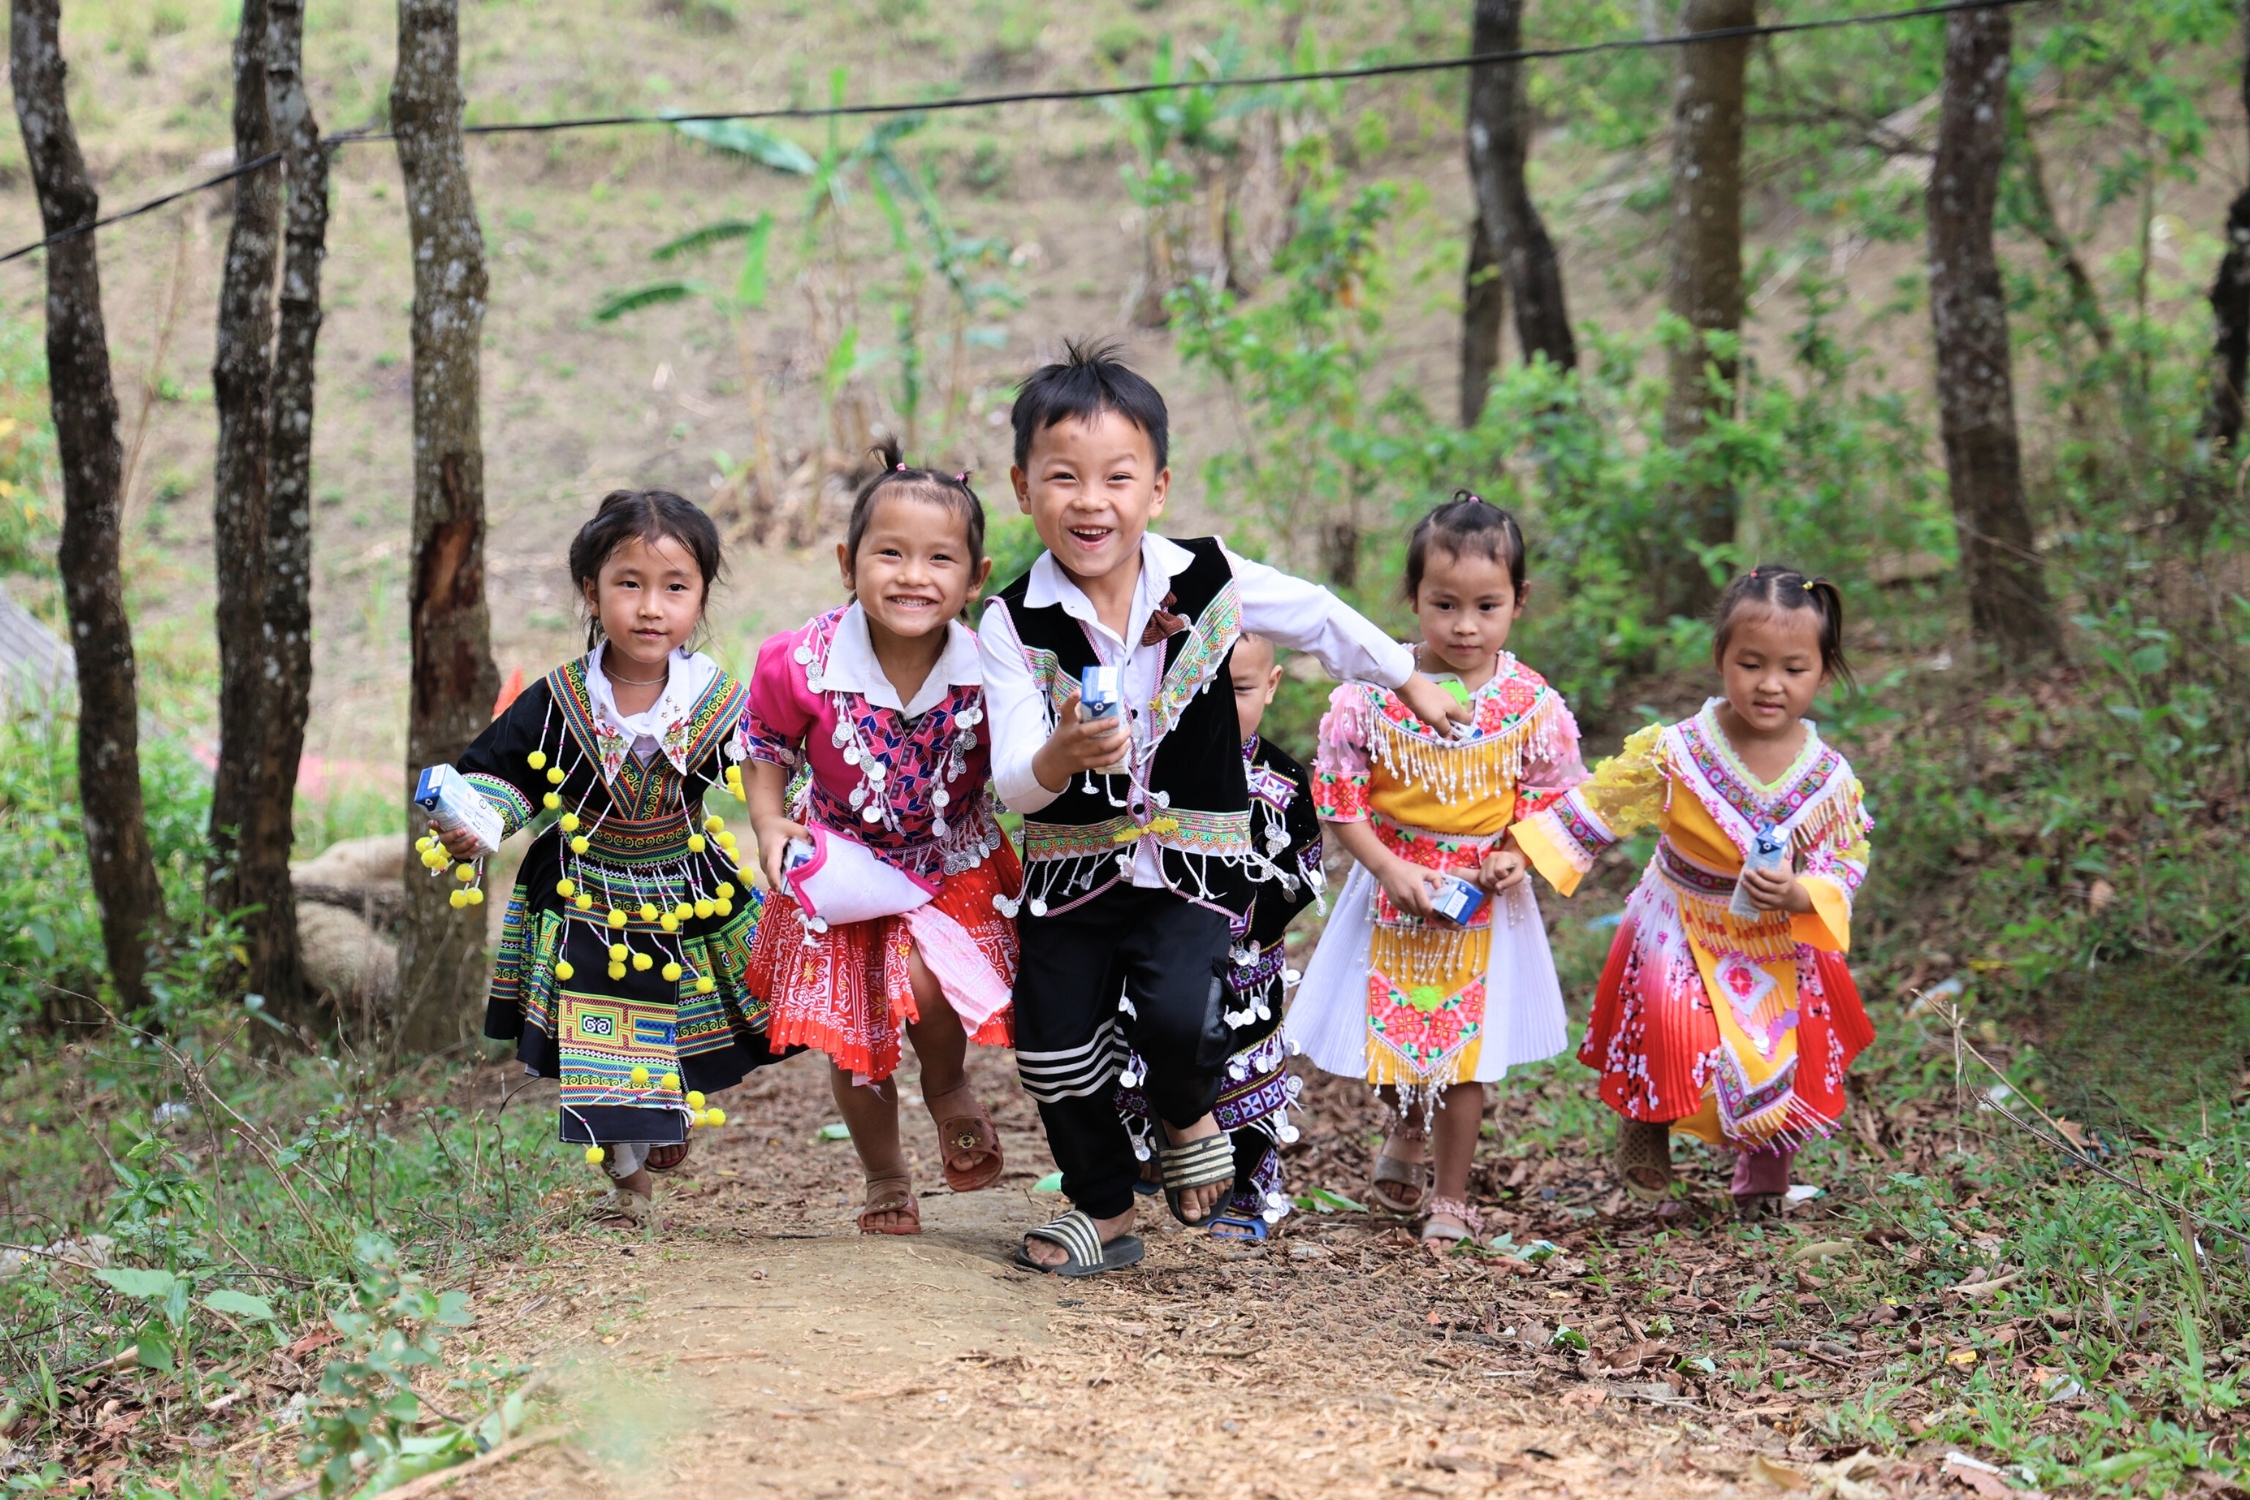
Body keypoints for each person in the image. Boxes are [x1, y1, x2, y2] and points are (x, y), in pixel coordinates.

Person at [979, 340, 1472, 1276]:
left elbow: (1320, 615)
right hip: (1070, 869)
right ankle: (1105, 1210)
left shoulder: (1209, 577)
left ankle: (1185, 1108)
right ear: (1021, 485)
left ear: (1156, 488)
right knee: (1049, 1048)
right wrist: (1059, 756)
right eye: (1064, 478)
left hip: (1193, 866)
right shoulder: (1009, 622)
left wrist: (1408, 677)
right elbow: (1011, 780)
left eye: (1117, 477)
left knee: (1178, 1017)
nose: (1092, 501)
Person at [433, 490, 788, 1230]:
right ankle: (628, 1194)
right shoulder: (558, 701)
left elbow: (769, 765)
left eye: (675, 587)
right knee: (598, 1037)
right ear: (591, 593)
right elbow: (503, 776)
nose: (651, 607)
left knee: (682, 1017)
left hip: (687, 887)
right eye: (629, 584)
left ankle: (665, 1109)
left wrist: (797, 817)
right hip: (585, 889)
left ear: (700, 599)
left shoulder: (716, 699)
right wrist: (478, 821)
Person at [1515, 566, 1875, 1220]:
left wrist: (1802, 892)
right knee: (1667, 1015)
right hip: (1679, 915)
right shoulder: (1679, 751)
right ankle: (1645, 1117)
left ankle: (1763, 1182)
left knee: (1780, 1046)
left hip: (1775, 930)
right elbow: (1604, 803)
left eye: (1793, 669)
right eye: (1751, 663)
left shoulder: (1829, 779)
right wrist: (1520, 851)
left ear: (1823, 674)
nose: (1770, 684)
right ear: (1720, 659)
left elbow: (1844, 856)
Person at [1284, 494, 1585, 1247]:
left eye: (1487, 605)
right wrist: (1387, 869)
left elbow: (1555, 801)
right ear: (1412, 597)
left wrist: (1517, 855)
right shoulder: (1369, 697)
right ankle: (1405, 1127)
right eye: (1442, 603)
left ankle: (1450, 1196)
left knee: (1466, 1055)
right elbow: (1341, 799)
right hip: (1392, 882)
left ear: (1519, 602)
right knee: (1392, 1036)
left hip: (1485, 899)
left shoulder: (1531, 705)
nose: (1463, 625)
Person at [742, 442, 1022, 1236]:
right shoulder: (801, 663)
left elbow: (1029, 760)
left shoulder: (990, 670)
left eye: (940, 559)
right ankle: (885, 1177)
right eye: (889, 553)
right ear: (847, 561)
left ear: (974, 579)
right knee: (853, 1037)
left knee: (930, 982)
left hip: (951, 862)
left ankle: (945, 1085)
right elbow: (765, 745)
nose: (912, 575)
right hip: (840, 865)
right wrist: (768, 821)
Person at [1115, 633, 1324, 1240]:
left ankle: (1245, 1193)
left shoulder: (1282, 778)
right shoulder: (1155, 770)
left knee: (1246, 1075)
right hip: (1163, 951)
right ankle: (1149, 1148)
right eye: (1204, 693)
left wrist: (1246, 921)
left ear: (1273, 685)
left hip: (1245, 964)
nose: (1220, 709)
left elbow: (1304, 871)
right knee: (1143, 1046)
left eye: (1240, 691)